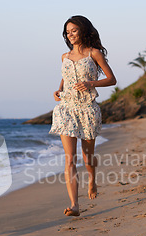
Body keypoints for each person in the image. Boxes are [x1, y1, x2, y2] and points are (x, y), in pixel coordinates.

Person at [49, 15, 117, 217]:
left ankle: (92, 180)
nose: (70, 35)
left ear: (83, 31)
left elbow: (111, 79)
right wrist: (58, 90)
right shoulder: (65, 57)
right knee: (70, 158)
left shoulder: (94, 53)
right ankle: (74, 205)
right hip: (66, 109)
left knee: (88, 158)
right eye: (67, 32)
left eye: (74, 31)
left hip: (88, 109)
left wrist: (91, 84)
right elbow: (65, 77)